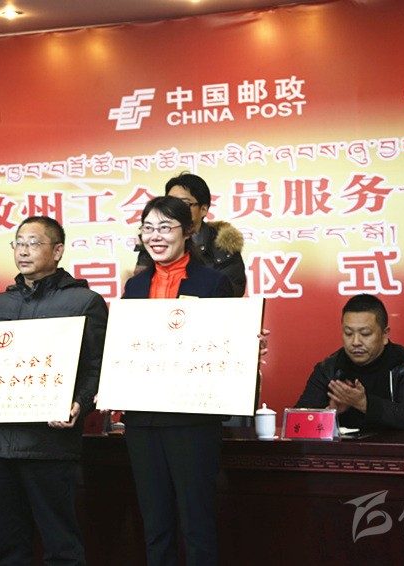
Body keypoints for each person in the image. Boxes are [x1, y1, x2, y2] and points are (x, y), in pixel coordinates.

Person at [0, 216, 108, 566]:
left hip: (49, 442)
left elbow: (96, 367)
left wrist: (79, 403)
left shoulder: (85, 302)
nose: (23, 251)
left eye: (34, 243)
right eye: (18, 243)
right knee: (7, 545)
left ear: (58, 251)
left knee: (60, 543)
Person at [122, 196, 233, 566]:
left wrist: (246, 345)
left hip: (192, 420)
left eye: (165, 227)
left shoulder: (214, 283)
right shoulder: (135, 288)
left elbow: (227, 345)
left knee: (196, 525)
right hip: (143, 422)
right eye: (148, 228)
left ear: (187, 232)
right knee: (155, 527)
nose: (155, 236)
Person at [294, 293, 404, 431]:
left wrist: (364, 403)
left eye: (365, 334)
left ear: (385, 334)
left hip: (393, 445)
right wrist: (329, 412)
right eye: (348, 333)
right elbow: (297, 423)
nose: (355, 342)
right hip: (344, 445)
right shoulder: (329, 369)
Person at [135, 172, 246, 297]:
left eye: (184, 203)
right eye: (170, 202)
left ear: (203, 209)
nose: (174, 208)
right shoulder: (154, 243)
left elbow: (230, 294)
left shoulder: (223, 246)